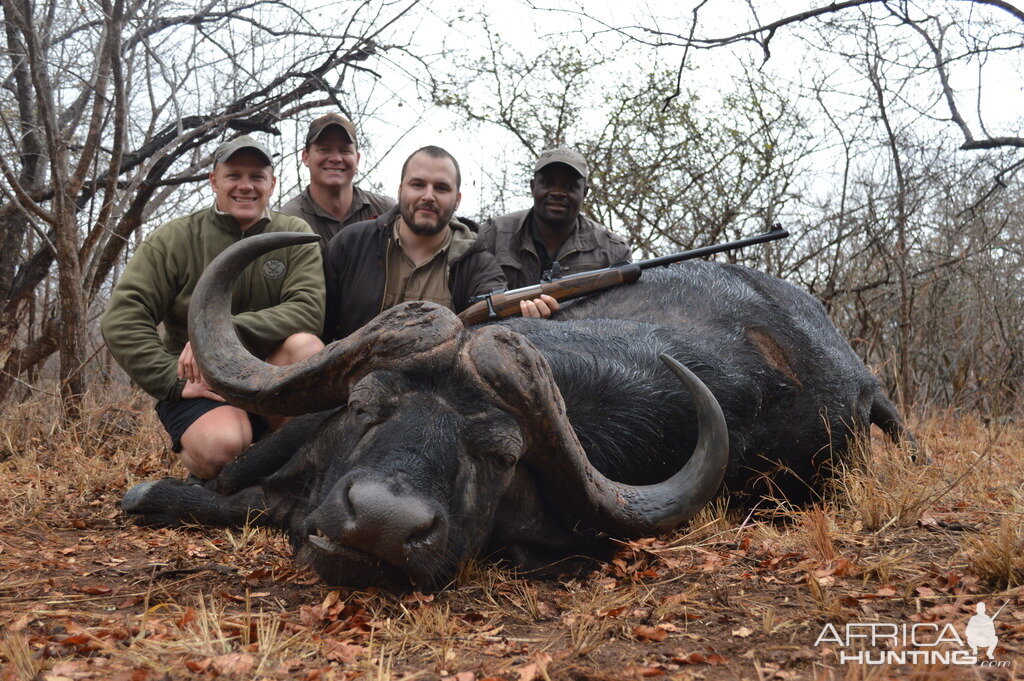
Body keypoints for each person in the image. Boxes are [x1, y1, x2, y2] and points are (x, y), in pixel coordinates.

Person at [101, 135, 326, 480]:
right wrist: (172, 380)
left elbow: (307, 309)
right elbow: (123, 319)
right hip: (202, 383)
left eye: (257, 177)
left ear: (272, 184)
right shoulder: (173, 239)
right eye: (234, 175)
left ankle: (282, 469)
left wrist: (222, 332)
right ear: (214, 181)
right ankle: (231, 464)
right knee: (222, 450)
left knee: (307, 347)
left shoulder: (294, 233)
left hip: (267, 377)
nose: (245, 186)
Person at [323, 145, 557, 341]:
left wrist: (529, 324)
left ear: (456, 200)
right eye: (418, 185)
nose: (428, 196)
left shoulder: (478, 264)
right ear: (400, 190)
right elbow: (320, 329)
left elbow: (494, 333)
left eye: (441, 188)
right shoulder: (350, 244)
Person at [479, 146, 632, 289]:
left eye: (570, 186)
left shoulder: (615, 252)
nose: (557, 193)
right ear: (533, 187)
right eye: (548, 183)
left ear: (584, 193)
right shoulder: (492, 235)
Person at [279, 113, 395, 247]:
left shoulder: (385, 210)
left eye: (345, 150)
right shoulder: (289, 220)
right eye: (324, 149)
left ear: (357, 159)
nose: (336, 158)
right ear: (306, 157)